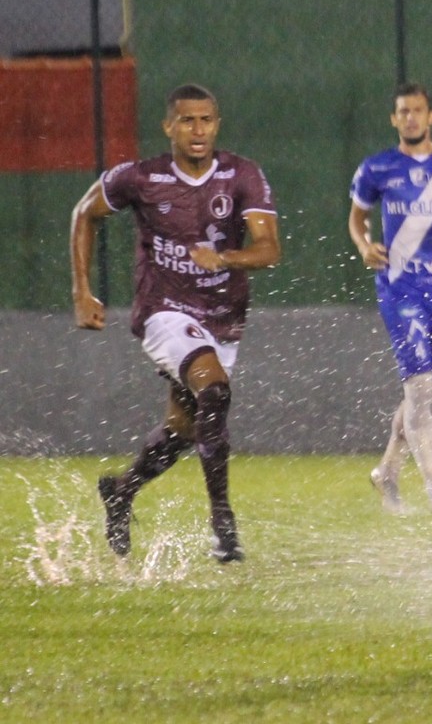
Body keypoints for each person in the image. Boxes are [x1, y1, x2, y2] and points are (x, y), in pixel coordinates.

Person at [73, 83, 281, 563]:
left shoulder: (242, 174)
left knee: (185, 429)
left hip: (223, 317)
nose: (197, 130)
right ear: (168, 126)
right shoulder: (141, 178)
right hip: (163, 312)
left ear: (217, 124)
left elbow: (270, 250)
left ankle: (121, 491)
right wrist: (82, 290)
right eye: (186, 120)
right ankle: (222, 524)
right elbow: (86, 213)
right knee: (215, 391)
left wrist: (224, 257)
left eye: (206, 120)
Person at [349, 83, 432, 514]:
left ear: (431, 115)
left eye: (417, 111)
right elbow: (357, 218)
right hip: (398, 286)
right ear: (394, 118)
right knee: (419, 386)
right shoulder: (377, 168)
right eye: (403, 111)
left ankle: (386, 471)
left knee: (424, 393)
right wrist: (364, 245)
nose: (411, 118)